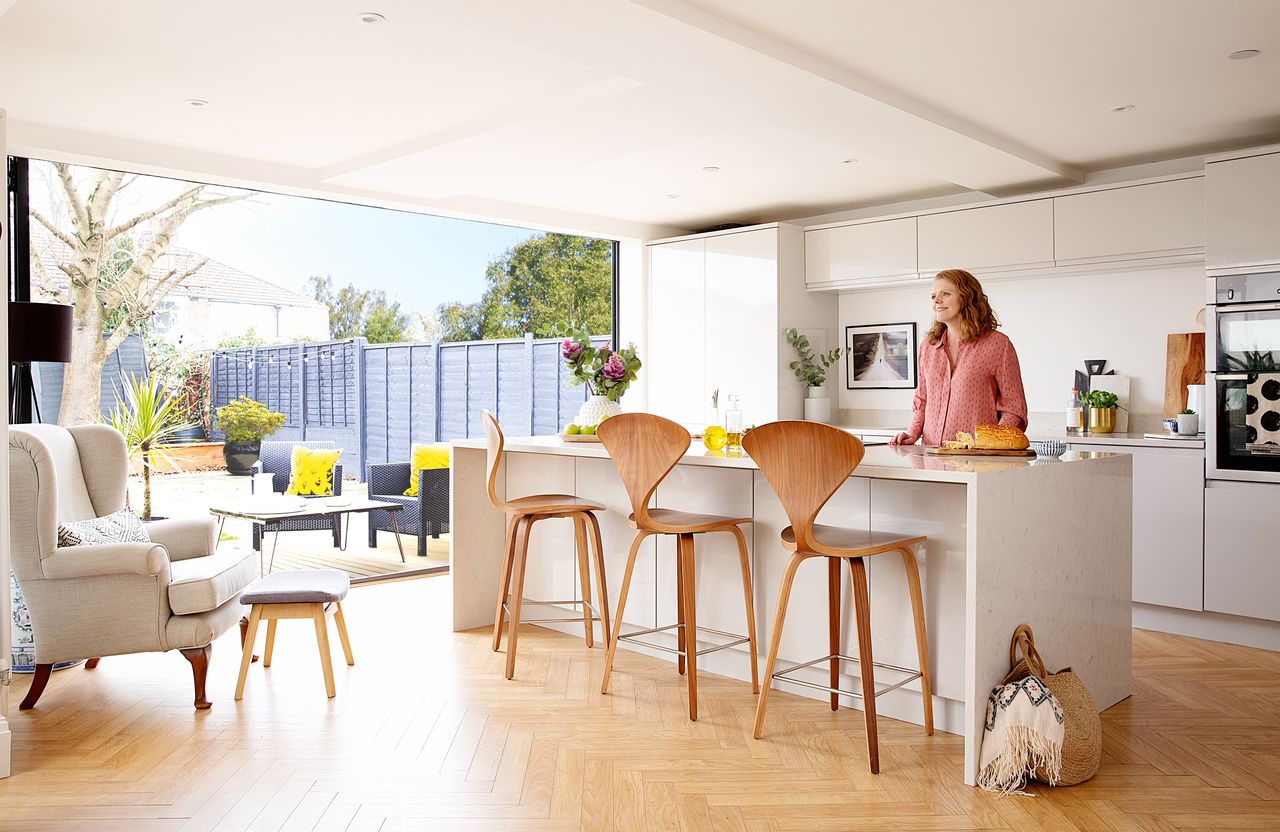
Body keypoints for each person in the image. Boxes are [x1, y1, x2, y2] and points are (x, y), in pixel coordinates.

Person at [890, 269, 1027, 446]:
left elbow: (1013, 407)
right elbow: (922, 400)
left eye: (945, 294)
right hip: (931, 457)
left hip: (977, 461)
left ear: (966, 297)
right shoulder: (928, 347)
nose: (937, 301)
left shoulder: (998, 345)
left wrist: (992, 445)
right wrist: (912, 432)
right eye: (933, 296)